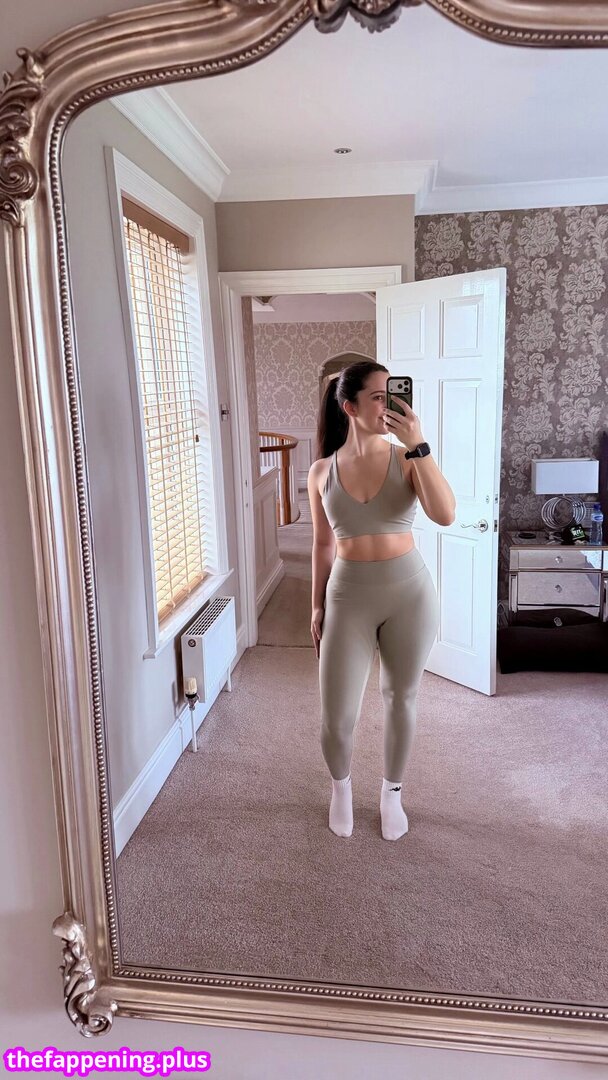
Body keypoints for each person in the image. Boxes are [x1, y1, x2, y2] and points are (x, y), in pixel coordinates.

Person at [306, 360, 456, 841]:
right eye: (378, 396)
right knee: (337, 717)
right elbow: (323, 544)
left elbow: (445, 514)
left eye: (393, 394)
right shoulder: (321, 471)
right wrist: (316, 605)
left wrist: (418, 444)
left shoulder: (408, 458)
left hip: (409, 594)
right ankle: (341, 788)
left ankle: (392, 794)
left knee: (401, 697)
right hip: (347, 595)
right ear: (349, 407)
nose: (390, 404)